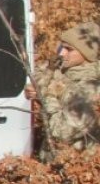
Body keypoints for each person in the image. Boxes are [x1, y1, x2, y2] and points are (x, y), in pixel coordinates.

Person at [32, 21, 100, 160]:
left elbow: (60, 132)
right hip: (51, 162)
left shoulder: (91, 89)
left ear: (86, 54)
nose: (62, 53)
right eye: (61, 47)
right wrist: (45, 80)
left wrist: (48, 94)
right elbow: (37, 74)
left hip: (72, 165)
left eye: (69, 49)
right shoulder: (62, 69)